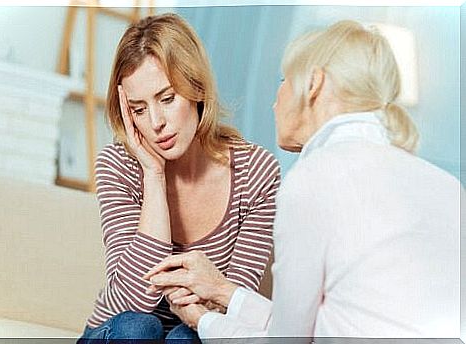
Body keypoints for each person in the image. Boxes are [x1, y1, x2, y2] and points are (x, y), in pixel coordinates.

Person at [145, 20, 461, 339]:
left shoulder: (313, 178)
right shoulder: (448, 187)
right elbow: (321, 319)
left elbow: (289, 339)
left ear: (313, 84)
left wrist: (203, 322)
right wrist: (222, 290)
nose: (275, 101)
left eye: (284, 80)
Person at [77, 13, 281, 342]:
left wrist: (202, 311)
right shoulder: (118, 165)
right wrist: (154, 176)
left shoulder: (255, 171)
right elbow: (132, 300)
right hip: (120, 333)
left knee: (189, 336)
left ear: (197, 88)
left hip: (200, 332)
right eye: (139, 109)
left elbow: (234, 309)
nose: (156, 122)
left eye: (167, 99)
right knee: (138, 327)